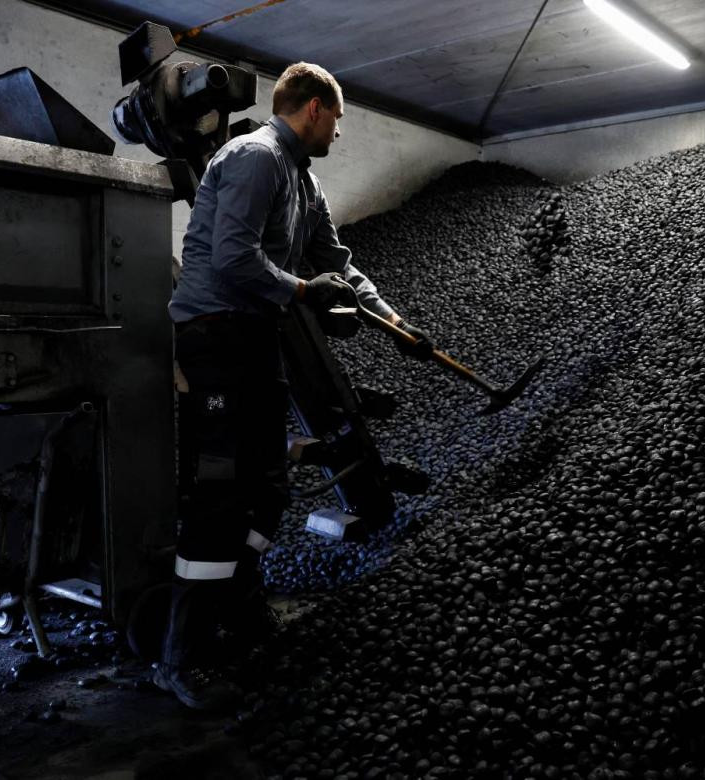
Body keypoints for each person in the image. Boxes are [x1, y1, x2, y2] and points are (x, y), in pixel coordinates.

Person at [158, 62, 432, 709]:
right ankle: (180, 658)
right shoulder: (253, 160)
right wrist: (305, 290)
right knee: (221, 495)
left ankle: (243, 602)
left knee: (269, 484)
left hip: (257, 338)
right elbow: (232, 257)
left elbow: (338, 263)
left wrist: (395, 323)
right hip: (216, 337)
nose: (338, 134)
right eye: (336, 121)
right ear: (313, 109)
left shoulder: (304, 184)